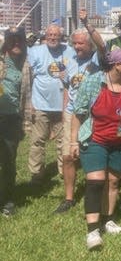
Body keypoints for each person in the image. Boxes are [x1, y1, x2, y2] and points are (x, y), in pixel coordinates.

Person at [70, 49, 121, 250]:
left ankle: (108, 219)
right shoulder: (93, 82)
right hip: (96, 139)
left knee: (114, 181)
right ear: (117, 65)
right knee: (96, 181)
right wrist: (73, 142)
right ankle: (93, 230)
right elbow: (78, 113)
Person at [55, 27, 101, 214]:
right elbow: (67, 88)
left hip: (93, 114)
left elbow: (102, 45)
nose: (76, 46)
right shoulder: (69, 61)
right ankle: (69, 198)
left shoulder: (96, 60)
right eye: (74, 43)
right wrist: (63, 111)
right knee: (67, 156)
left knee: (94, 155)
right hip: (72, 113)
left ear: (89, 44)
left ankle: (97, 192)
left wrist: (87, 24)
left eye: (81, 43)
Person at [27, 23, 74, 186]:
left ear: (61, 37)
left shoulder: (69, 50)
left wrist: (67, 74)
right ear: (45, 37)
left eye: (56, 35)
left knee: (63, 141)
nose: (53, 38)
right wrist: (30, 103)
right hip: (40, 104)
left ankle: (63, 171)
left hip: (63, 105)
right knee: (38, 140)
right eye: (50, 35)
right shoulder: (35, 51)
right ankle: (36, 173)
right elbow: (27, 74)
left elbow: (77, 72)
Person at [0, 28, 30, 216]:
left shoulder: (27, 64)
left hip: (12, 120)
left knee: (9, 161)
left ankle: (7, 199)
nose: (16, 43)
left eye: (19, 40)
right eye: (12, 40)